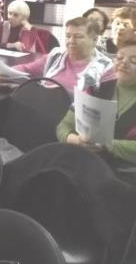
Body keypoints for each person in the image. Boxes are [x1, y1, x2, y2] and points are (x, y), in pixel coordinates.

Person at [57, 28, 136, 167]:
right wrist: (76, 140)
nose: (123, 63)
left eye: (134, 60)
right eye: (119, 57)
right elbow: (63, 126)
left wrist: (109, 145)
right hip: (83, 163)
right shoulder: (95, 88)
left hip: (124, 172)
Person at [8, 17, 114, 94]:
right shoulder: (56, 55)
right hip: (42, 107)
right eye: (68, 36)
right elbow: (27, 69)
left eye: (78, 36)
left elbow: (99, 105)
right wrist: (6, 72)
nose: (71, 41)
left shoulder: (106, 67)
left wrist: (59, 93)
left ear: (94, 40)